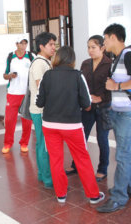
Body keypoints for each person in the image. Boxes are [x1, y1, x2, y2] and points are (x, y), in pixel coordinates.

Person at [36, 46, 105, 203]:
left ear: (57, 58)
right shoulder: (77, 75)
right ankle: (93, 195)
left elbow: (39, 102)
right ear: (72, 60)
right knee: (82, 159)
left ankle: (61, 195)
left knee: (55, 159)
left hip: (50, 125)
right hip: (72, 126)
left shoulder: (47, 75)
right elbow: (87, 102)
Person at [65, 35, 112, 182]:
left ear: (102, 48)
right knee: (81, 137)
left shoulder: (110, 64)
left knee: (102, 139)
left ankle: (102, 169)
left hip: (104, 107)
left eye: (93, 47)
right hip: (87, 107)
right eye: (88, 47)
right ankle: (76, 165)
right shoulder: (85, 64)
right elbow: (80, 83)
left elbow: (113, 87)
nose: (90, 50)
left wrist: (102, 97)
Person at [97, 24, 131, 213]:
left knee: (123, 156)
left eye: (105, 38)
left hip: (127, 114)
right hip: (119, 112)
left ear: (113, 37)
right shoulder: (117, 58)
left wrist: (116, 87)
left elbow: (118, 85)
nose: (104, 42)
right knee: (126, 154)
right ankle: (126, 186)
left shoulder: (128, 55)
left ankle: (119, 197)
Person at [29, 32, 56, 189]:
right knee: (44, 144)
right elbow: (42, 87)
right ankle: (48, 178)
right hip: (40, 110)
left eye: (54, 44)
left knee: (41, 143)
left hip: (40, 109)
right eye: (50, 44)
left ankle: (42, 174)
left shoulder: (45, 61)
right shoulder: (39, 63)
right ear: (41, 46)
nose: (53, 47)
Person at [1, 37, 34, 154]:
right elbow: (4, 75)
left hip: (26, 94)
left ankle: (24, 143)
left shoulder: (31, 56)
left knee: (27, 121)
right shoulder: (11, 57)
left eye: (25, 43)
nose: (24, 45)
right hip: (13, 93)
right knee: (9, 120)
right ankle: (8, 143)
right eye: (21, 43)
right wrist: (10, 76)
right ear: (16, 44)